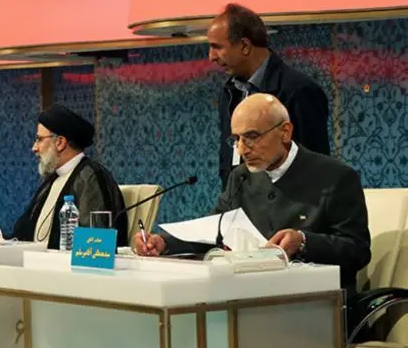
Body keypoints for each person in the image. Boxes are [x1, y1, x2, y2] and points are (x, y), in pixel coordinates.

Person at [133, 94, 370, 293]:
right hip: (251, 297)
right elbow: (214, 231)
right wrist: (163, 242)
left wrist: (303, 241)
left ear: (285, 132)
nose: (242, 149)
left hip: (316, 300)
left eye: (252, 137)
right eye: (237, 139)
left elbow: (358, 250)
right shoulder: (241, 177)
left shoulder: (335, 176)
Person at [208, 3, 330, 186]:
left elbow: (315, 168)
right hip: (238, 202)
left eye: (217, 47)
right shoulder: (229, 93)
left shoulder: (298, 90)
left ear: (244, 46)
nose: (211, 56)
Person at [12, 104, 128, 248]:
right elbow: (21, 231)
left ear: (60, 142)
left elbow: (94, 244)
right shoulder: (52, 179)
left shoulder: (91, 177)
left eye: (40, 139)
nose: (34, 148)